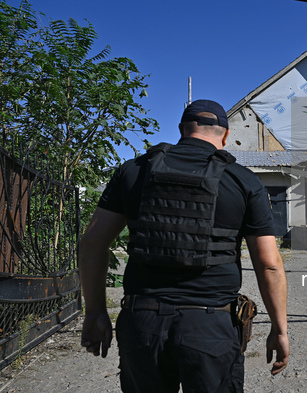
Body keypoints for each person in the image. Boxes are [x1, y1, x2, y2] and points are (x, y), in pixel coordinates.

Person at [78, 99, 289, 393]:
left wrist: (95, 312)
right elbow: (269, 263)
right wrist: (280, 329)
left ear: (181, 129)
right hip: (211, 326)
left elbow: (91, 244)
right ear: (225, 135)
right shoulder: (243, 181)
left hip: (142, 322)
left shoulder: (133, 171)